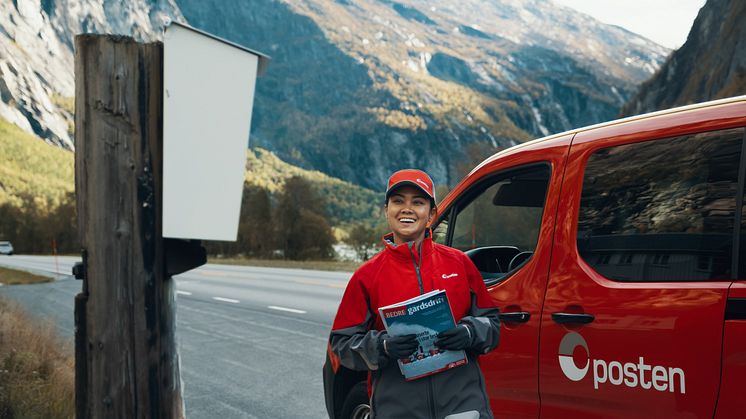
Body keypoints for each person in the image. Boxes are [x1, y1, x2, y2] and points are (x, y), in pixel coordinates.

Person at [328, 169, 501, 419]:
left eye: (418, 202)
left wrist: (469, 332)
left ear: (431, 214)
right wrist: (382, 346)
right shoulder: (366, 276)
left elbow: (493, 326)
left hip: (463, 407)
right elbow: (341, 344)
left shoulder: (460, 264)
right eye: (398, 201)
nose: (407, 209)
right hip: (398, 410)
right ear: (386, 210)